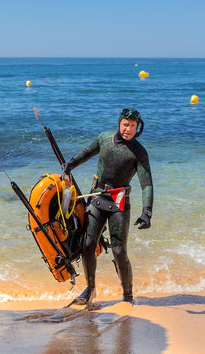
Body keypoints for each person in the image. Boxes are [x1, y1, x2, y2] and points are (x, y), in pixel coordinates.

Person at [63, 107, 153, 305]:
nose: (128, 129)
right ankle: (90, 289)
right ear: (119, 123)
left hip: (119, 202)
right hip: (97, 197)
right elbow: (87, 153)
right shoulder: (104, 139)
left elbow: (146, 184)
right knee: (87, 244)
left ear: (138, 128)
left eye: (132, 126)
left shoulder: (138, 152)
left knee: (119, 251)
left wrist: (147, 212)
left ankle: (128, 295)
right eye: (125, 125)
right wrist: (71, 164)